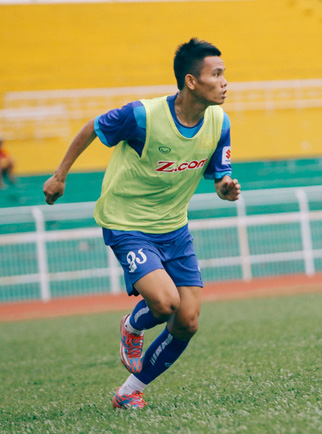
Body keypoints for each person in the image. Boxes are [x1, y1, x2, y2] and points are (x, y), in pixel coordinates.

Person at [43, 38, 240, 409]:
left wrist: (225, 188)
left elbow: (220, 176)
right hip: (127, 223)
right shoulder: (142, 117)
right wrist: (59, 176)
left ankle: (130, 391)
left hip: (174, 227)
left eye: (225, 74)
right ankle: (133, 324)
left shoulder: (219, 121)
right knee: (165, 305)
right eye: (216, 74)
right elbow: (91, 128)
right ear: (191, 81)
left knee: (188, 320)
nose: (225, 81)